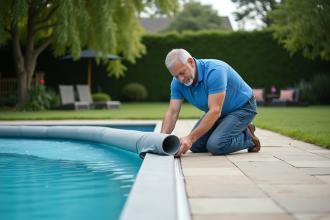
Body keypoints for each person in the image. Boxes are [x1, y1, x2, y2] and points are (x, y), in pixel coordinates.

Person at [161, 49, 261, 157]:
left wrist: (189, 138)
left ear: (190, 62)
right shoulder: (177, 82)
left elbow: (215, 111)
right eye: (176, 75)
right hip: (219, 112)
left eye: (182, 72)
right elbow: (172, 112)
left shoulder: (215, 70)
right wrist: (161, 140)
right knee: (195, 146)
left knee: (216, 145)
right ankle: (229, 129)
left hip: (242, 108)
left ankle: (248, 136)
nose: (180, 79)